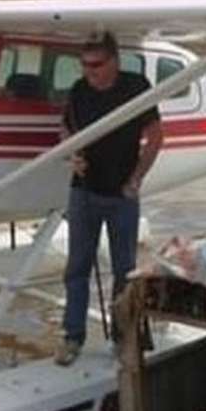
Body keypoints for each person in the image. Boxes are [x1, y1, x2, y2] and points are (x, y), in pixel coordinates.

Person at [55, 31, 164, 366]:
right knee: (76, 268)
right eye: (84, 65)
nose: (89, 72)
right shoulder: (79, 91)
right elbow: (66, 130)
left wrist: (135, 179)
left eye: (96, 65)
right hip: (83, 190)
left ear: (114, 61)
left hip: (121, 193)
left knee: (124, 270)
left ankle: (124, 336)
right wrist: (72, 154)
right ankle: (73, 337)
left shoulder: (136, 87)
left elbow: (155, 136)